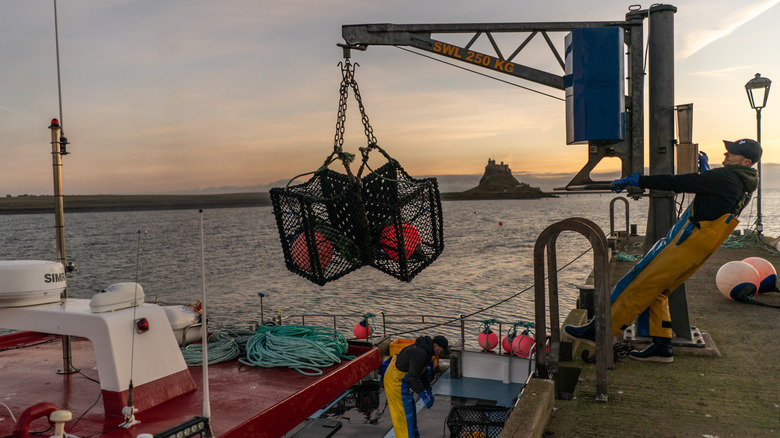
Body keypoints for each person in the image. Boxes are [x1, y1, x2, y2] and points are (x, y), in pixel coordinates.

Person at [565, 139, 761, 362]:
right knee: (658, 290)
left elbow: (675, 182)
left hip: (687, 241)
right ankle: (661, 345)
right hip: (702, 245)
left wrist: (638, 179)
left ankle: (600, 330)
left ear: (746, 161)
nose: (726, 155)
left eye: (732, 154)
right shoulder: (744, 183)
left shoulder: (726, 177)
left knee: (638, 281)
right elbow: (712, 193)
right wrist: (705, 171)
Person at [383, 335, 449, 438]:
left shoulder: (426, 352)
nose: (441, 353)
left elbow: (423, 372)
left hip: (403, 381)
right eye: (441, 350)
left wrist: (428, 389)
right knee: (404, 416)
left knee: (411, 413)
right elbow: (413, 377)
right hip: (395, 382)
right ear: (436, 346)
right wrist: (423, 395)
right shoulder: (420, 353)